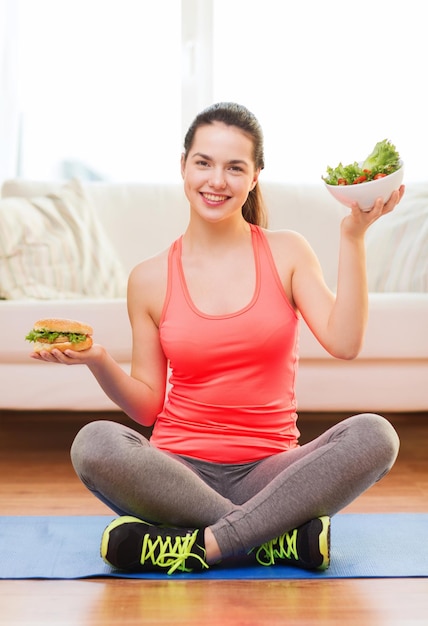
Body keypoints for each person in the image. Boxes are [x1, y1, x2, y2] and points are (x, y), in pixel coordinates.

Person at [31, 102, 403, 575]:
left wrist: (353, 237)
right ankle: (276, 538)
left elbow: (345, 342)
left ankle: (194, 544)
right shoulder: (148, 278)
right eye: (203, 162)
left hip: (272, 475)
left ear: (254, 177)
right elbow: (148, 409)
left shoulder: (287, 252)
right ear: (183, 166)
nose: (216, 180)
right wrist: (98, 359)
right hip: (177, 473)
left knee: (376, 435)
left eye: (234, 168)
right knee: (94, 443)